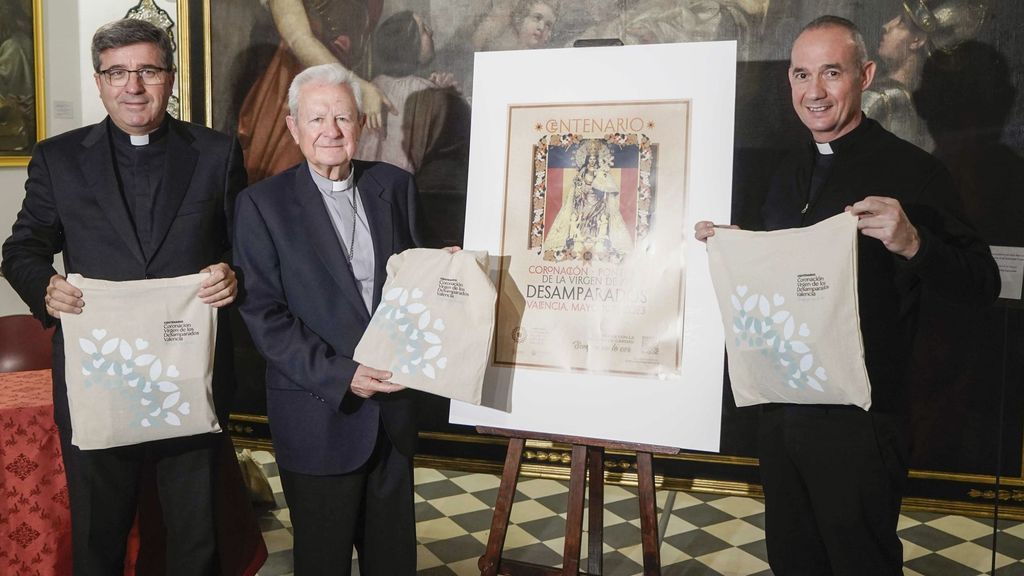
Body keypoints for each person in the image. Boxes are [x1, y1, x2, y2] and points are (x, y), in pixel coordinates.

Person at [694, 16, 999, 575]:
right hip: (782, 413)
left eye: (831, 73)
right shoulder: (784, 173)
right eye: (801, 74)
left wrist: (913, 242)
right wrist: (743, 250)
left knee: (860, 564)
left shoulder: (914, 172)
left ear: (865, 75)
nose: (814, 91)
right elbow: (789, 273)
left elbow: (982, 282)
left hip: (862, 421)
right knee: (794, 562)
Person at [1, 18, 246, 575]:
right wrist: (45, 286)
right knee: (99, 537)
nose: (132, 85)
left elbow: (248, 251)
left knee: (195, 538)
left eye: (147, 70)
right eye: (117, 72)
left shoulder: (216, 153)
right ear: (99, 81)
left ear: (171, 77)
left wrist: (236, 276)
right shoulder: (58, 158)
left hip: (192, 376)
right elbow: (21, 249)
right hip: (98, 381)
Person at [233, 63, 425, 575]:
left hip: (393, 410)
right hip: (320, 411)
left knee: (393, 563)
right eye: (317, 119)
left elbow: (417, 284)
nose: (331, 132)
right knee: (323, 562)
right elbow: (264, 315)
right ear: (294, 128)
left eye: (342, 117)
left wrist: (444, 273)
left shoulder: (395, 186)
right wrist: (344, 375)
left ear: (360, 124)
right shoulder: (262, 205)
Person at [237, 0, 392, 183]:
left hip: (339, 94)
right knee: (286, 181)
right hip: (291, 90)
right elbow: (299, 39)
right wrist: (357, 87)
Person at [355, 10, 471, 248]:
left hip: (365, 206)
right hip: (402, 210)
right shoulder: (422, 91)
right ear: (408, 42)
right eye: (424, 29)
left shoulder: (373, 85)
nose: (431, 33)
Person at [861, 0, 986, 151]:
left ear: (917, 40)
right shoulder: (927, 104)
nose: (886, 26)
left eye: (901, 23)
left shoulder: (880, 98)